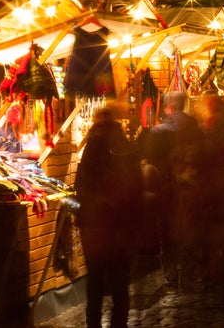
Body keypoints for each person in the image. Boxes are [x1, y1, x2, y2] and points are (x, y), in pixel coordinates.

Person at [75, 104, 144, 328]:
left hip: (95, 225)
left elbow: (81, 186)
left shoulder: (92, 147)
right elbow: (136, 187)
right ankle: (118, 323)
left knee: (95, 280)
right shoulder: (125, 146)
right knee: (119, 281)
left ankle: (93, 323)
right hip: (119, 224)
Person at [140, 90, 204, 289]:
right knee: (190, 230)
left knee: (167, 232)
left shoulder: (158, 132)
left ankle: (170, 275)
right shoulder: (195, 128)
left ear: (168, 106)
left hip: (165, 188)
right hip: (190, 187)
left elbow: (148, 157)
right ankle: (189, 273)